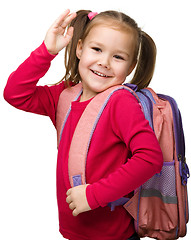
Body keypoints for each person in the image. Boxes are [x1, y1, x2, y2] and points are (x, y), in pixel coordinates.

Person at [4, 9, 163, 240]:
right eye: (97, 49)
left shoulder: (121, 102)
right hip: (74, 231)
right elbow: (15, 94)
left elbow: (149, 158)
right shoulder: (65, 95)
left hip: (113, 235)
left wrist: (94, 195)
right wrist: (47, 52)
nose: (104, 62)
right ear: (79, 48)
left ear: (130, 67)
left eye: (118, 57)